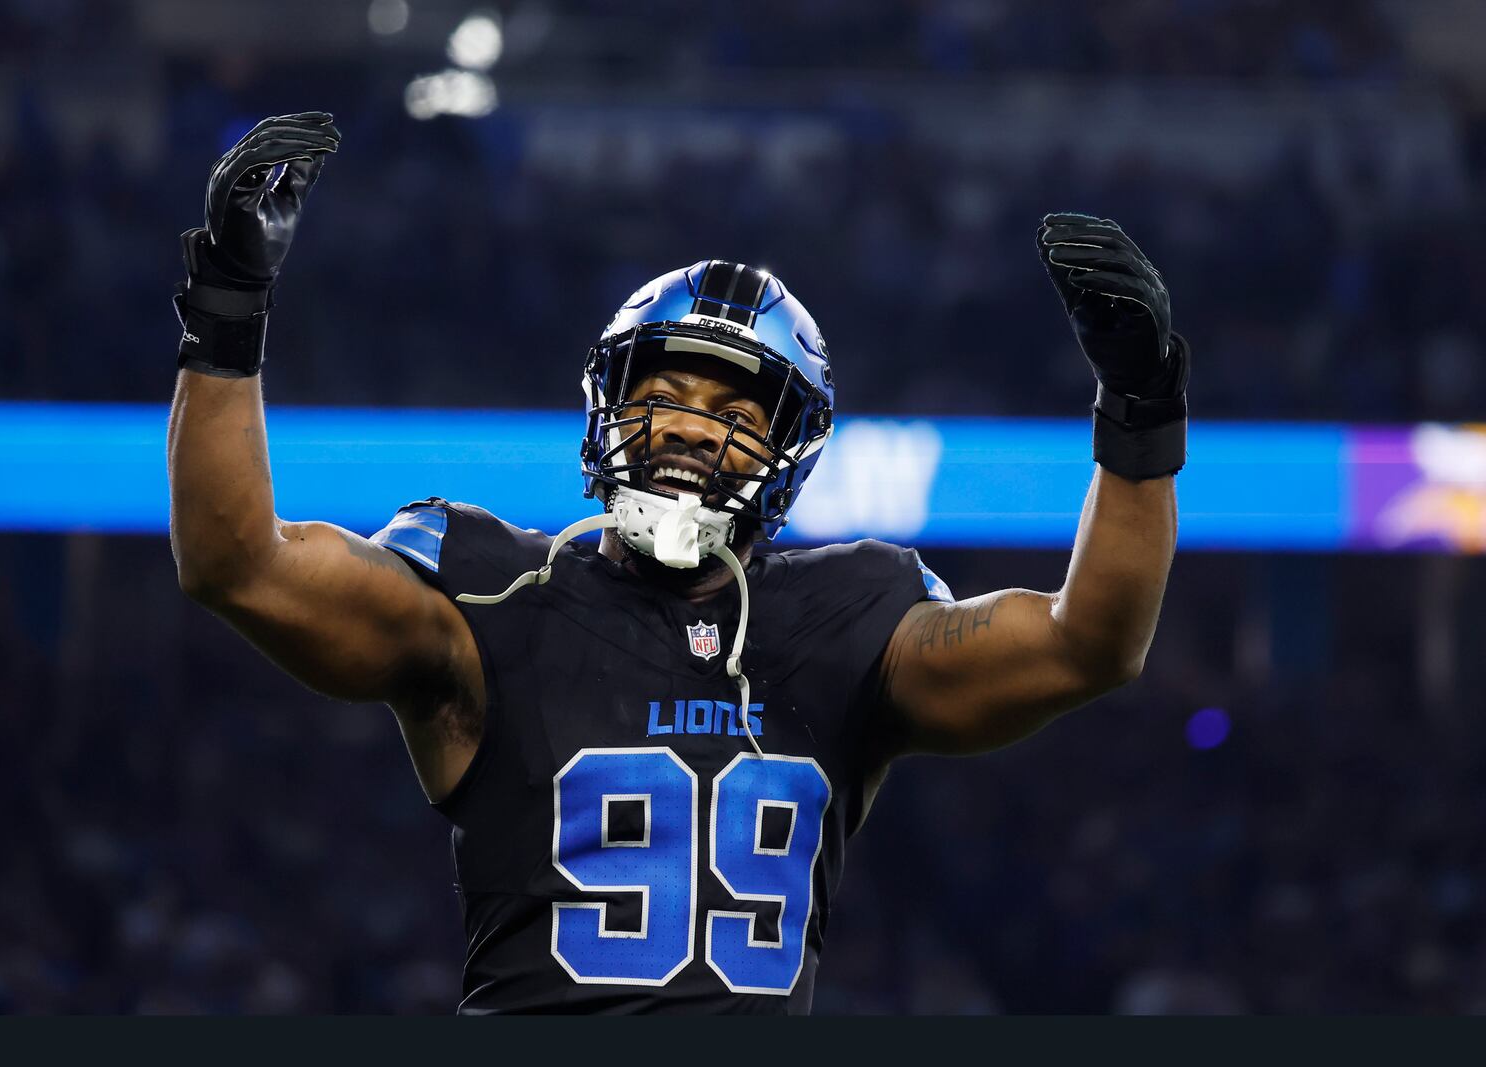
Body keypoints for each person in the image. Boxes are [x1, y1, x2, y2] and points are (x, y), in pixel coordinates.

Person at [168, 114, 1189, 1014]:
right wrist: (227, 307)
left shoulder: (847, 611)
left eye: (738, 412)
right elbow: (237, 563)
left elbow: (1086, 643)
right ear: (607, 405)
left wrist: (1138, 416)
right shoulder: (491, 589)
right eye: (666, 394)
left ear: (792, 447)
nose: (693, 430)